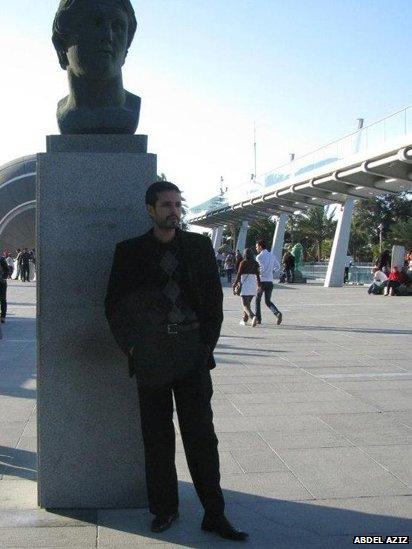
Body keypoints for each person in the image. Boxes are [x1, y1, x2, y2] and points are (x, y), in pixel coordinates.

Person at [105, 181, 248, 541]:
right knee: (157, 438)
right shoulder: (130, 252)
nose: (174, 210)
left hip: (190, 355)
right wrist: (133, 349)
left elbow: (214, 303)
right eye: (166, 204)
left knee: (202, 436)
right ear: (150, 209)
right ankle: (165, 510)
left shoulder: (199, 247)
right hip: (152, 357)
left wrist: (205, 348)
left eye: (177, 204)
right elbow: (114, 305)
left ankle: (214, 513)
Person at [52, 0, 140, 135]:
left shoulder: (130, 112)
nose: (107, 36)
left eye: (118, 27)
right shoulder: (67, 117)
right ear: (61, 45)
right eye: (94, 23)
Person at [255, 240, 282, 325]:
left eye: (256, 246)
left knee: (257, 300)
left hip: (262, 281)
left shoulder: (259, 257)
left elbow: (260, 269)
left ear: (260, 246)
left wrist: (259, 274)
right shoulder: (272, 255)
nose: (256, 248)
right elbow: (278, 266)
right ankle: (277, 313)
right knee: (268, 301)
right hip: (270, 281)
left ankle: (258, 319)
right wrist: (271, 272)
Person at [232, 248, 260, 327]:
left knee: (245, 305)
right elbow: (258, 275)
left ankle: (253, 317)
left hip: (245, 284)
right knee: (248, 303)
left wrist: (235, 284)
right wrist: (259, 285)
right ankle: (244, 319)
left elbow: (239, 274)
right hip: (253, 284)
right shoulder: (255, 263)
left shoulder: (243, 262)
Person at [0, 254, 8, 323]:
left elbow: (7, 270)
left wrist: (3, 278)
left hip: (1, 283)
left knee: (2, 299)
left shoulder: (1, 259)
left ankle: (3, 316)